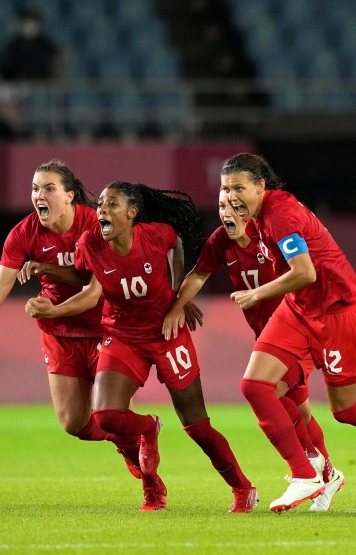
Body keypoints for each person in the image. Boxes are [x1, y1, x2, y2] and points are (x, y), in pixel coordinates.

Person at [219, 153, 356, 512]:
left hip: (338, 311)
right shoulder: (262, 215)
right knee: (257, 386)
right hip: (299, 308)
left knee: (345, 409)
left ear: (260, 186)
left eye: (238, 188)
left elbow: (306, 272)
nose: (231, 196)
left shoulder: (279, 214)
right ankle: (307, 473)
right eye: (224, 188)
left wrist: (256, 294)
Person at [62, 182, 256, 513]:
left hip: (167, 332)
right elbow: (82, 277)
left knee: (196, 425)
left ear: (132, 213)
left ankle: (242, 487)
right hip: (122, 335)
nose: (102, 210)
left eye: (112, 204)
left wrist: (179, 296)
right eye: (100, 205)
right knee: (106, 415)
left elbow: (177, 245)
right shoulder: (90, 243)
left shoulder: (156, 235)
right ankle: (150, 458)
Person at [0, 160, 144, 479]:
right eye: (36, 188)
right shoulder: (23, 233)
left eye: (49, 188)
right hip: (61, 334)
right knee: (73, 424)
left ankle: (149, 476)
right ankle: (129, 439)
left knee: (112, 414)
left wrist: (49, 307)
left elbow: (94, 292)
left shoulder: (96, 224)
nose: (40, 195)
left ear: (69, 197)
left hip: (107, 327)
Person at [165, 195, 343, 511]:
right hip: (268, 336)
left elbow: (305, 271)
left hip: (299, 328)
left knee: (266, 390)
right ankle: (327, 472)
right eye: (221, 207)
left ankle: (307, 472)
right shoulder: (221, 240)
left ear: (251, 211)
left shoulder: (271, 234)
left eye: (236, 207)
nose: (227, 213)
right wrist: (176, 307)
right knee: (297, 407)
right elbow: (198, 274)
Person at [0, 9, 61, 82]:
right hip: (17, 85)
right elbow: (6, 70)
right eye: (27, 24)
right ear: (21, 25)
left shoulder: (45, 45)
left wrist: (56, 76)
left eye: (33, 25)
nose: (30, 28)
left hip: (41, 85)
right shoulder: (13, 45)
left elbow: (58, 57)